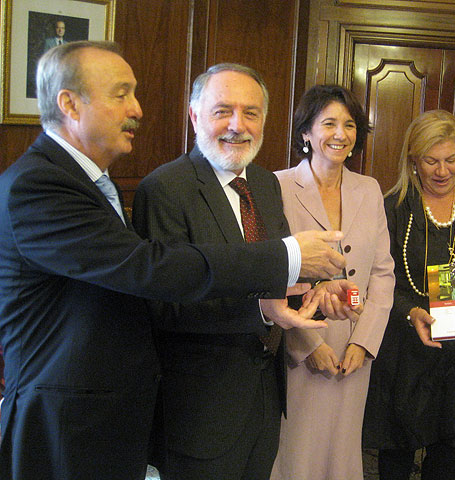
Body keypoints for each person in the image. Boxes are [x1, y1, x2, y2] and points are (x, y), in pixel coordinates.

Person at [0, 41, 346, 480]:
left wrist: (304, 292)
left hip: (115, 420)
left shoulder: (91, 183)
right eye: (121, 94)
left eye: (251, 113)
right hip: (66, 425)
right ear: (69, 104)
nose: (138, 109)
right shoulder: (40, 185)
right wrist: (289, 255)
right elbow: (151, 270)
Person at [132, 63, 327, 480]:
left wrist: (320, 293)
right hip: (200, 412)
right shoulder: (164, 189)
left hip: (264, 400)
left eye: (250, 113)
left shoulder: (265, 183)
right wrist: (261, 311)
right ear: (194, 116)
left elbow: (278, 275)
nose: (237, 125)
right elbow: (164, 306)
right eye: (223, 111)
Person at [363, 110, 455, 480]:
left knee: (448, 451)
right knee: (397, 452)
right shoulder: (393, 207)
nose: (442, 171)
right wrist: (410, 312)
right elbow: (378, 280)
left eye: (450, 160)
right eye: (431, 161)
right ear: (413, 160)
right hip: (406, 344)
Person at [269, 85, 395, 480]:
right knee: (298, 450)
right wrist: (308, 344)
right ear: (306, 132)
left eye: (350, 124)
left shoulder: (369, 189)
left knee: (342, 450)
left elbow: (382, 272)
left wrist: (364, 342)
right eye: (329, 123)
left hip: (354, 345)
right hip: (300, 341)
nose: (341, 133)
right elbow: (271, 275)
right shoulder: (277, 186)